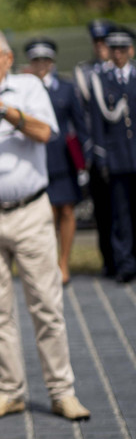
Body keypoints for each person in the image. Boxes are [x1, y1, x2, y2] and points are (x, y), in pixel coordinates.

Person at [0, 28, 90, 421]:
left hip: (29, 212)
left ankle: (62, 391)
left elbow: (45, 132)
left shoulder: (27, 88)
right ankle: (11, 391)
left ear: (8, 59)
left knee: (46, 305)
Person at [26, 38, 87, 285]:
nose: (41, 65)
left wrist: (86, 158)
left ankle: (64, 262)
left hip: (63, 158)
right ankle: (49, 262)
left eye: (45, 60)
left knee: (67, 210)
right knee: (47, 214)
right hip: (37, 157)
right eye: (36, 60)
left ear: (52, 62)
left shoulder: (65, 87)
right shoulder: (26, 87)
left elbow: (79, 125)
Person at [88, 27, 136, 283]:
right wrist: (101, 157)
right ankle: (125, 263)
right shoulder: (102, 81)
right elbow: (97, 123)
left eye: (123, 49)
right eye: (114, 49)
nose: (118, 54)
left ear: (131, 50)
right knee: (120, 215)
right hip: (117, 158)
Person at [74, 19, 116, 276]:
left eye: (104, 42)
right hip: (98, 152)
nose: (100, 47)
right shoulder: (85, 72)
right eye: (96, 42)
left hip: (124, 151)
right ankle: (109, 260)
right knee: (103, 209)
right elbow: (82, 117)